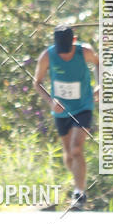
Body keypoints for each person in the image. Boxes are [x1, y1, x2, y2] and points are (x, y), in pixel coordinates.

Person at [33, 24, 99, 209]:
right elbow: (37, 83)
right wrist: (50, 101)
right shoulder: (47, 56)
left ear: (74, 41)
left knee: (76, 148)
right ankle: (78, 181)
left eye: (67, 50)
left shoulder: (85, 51)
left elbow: (99, 64)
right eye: (61, 51)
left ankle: (79, 192)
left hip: (84, 105)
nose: (64, 55)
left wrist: (100, 85)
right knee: (69, 154)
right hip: (61, 110)